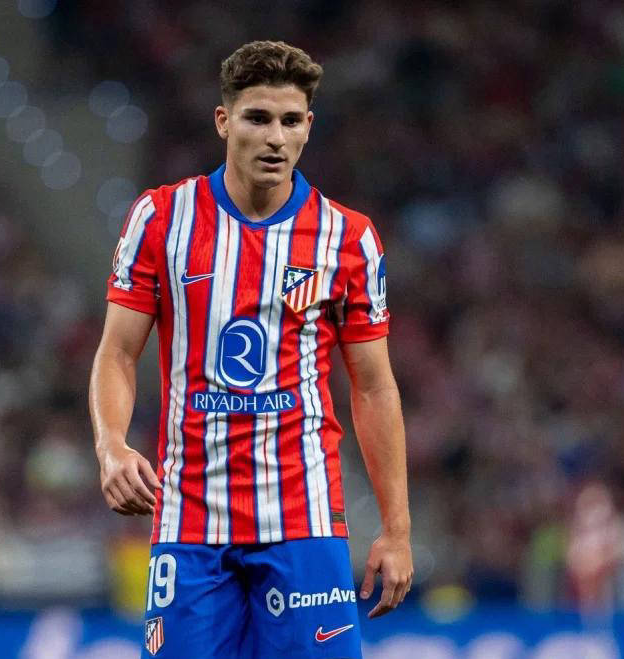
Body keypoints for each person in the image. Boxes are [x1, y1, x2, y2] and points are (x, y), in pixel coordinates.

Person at [89, 40, 413, 659]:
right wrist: (111, 447)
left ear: (309, 126)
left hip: (304, 517)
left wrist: (396, 530)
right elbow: (117, 353)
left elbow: (374, 387)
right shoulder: (161, 218)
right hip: (189, 518)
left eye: (290, 121)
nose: (275, 138)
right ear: (223, 121)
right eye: (257, 118)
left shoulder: (348, 238)